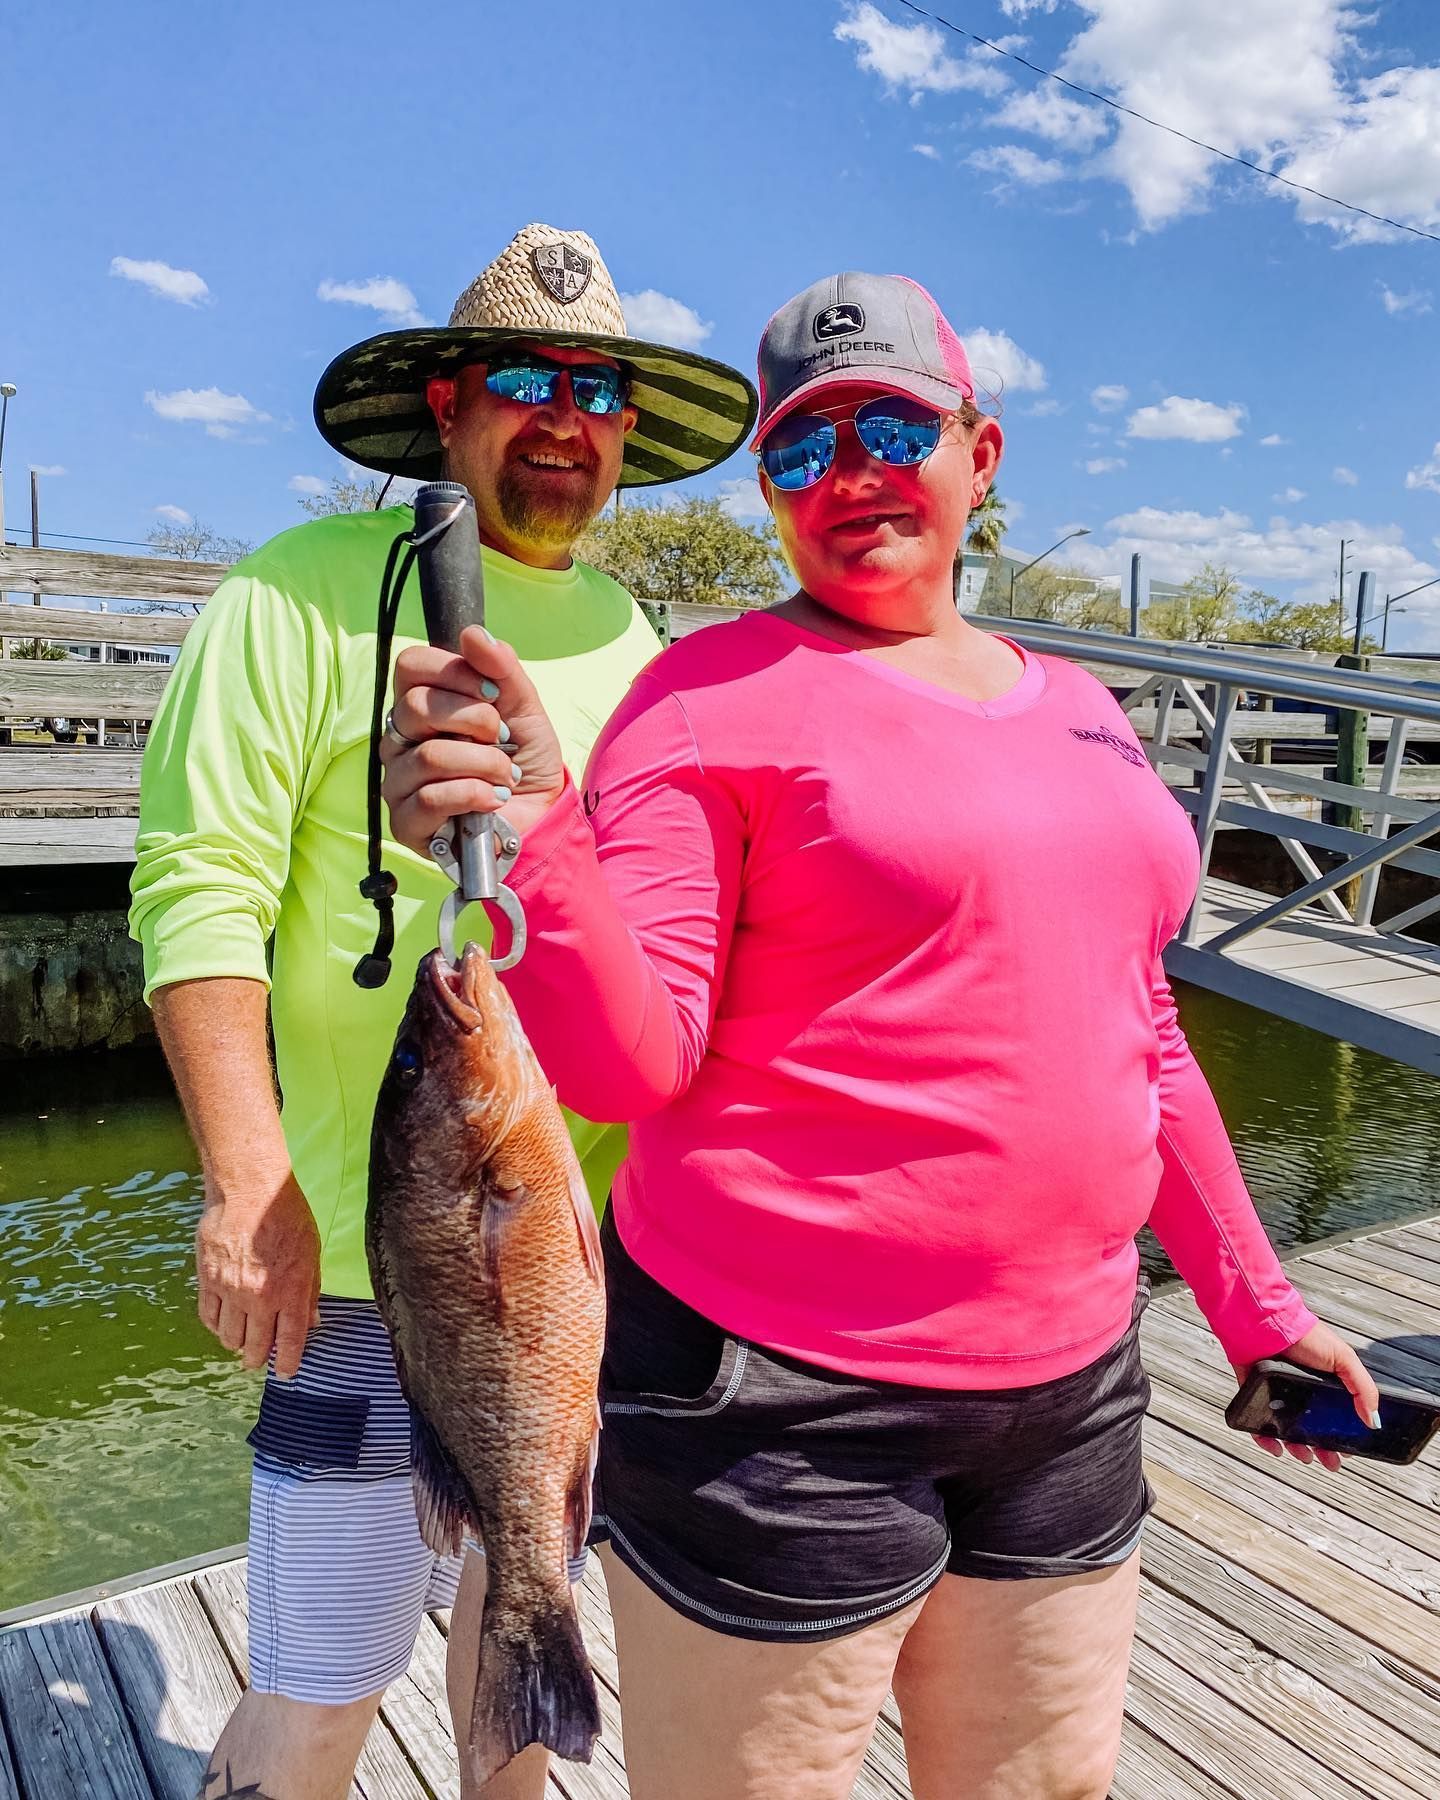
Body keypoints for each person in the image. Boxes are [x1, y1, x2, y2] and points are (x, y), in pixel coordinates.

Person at [381, 271, 1381, 1800]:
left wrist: (1251, 1304)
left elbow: (1144, 1026)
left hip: (1072, 1389)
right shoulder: (702, 695)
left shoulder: (1087, 711)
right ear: (772, 492)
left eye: (891, 429)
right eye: (800, 451)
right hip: (778, 1398)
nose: (847, 477)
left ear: (981, 455)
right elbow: (626, 1067)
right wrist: (538, 832)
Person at [128, 221, 755, 1800]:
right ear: (451, 404)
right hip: (356, 1254)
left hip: (586, 1269)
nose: (564, 418)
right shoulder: (297, 592)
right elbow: (194, 886)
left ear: (627, 431)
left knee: (518, 1652)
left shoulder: (646, 648)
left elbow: (669, 940)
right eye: (525, 380)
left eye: (597, 390)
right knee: (324, 1682)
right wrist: (243, 1180)